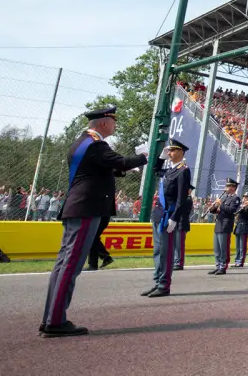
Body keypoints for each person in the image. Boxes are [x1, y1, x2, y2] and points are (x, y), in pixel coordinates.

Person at [40, 106, 147, 337]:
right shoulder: (96, 144)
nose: (115, 126)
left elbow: (101, 168)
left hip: (78, 207)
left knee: (64, 264)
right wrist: (146, 155)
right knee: (71, 265)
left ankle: (51, 317)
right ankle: (55, 321)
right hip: (87, 208)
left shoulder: (83, 143)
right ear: (104, 123)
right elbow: (121, 162)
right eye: (113, 121)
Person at [142, 139, 191, 298]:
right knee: (157, 250)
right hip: (158, 214)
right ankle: (157, 281)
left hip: (168, 216)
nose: (169, 153)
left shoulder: (183, 170)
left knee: (165, 252)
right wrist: (161, 157)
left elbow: (181, 198)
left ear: (181, 151)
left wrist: (175, 218)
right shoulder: (170, 169)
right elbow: (155, 169)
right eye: (168, 151)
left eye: (172, 150)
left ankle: (164, 285)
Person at [208, 178, 240, 275]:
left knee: (223, 247)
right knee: (216, 247)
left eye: (229, 186)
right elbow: (217, 210)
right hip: (218, 223)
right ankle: (218, 265)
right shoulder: (224, 197)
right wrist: (213, 207)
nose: (227, 188)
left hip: (226, 224)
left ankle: (223, 266)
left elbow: (231, 210)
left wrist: (220, 205)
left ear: (234, 188)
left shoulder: (235, 198)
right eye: (227, 186)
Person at [172, 184, 194, 270]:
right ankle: (175, 261)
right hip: (177, 223)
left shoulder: (188, 199)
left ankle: (179, 262)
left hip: (182, 224)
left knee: (179, 244)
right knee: (175, 244)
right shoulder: (182, 198)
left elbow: (181, 208)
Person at [233, 192, 248, 268]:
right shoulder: (240, 205)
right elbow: (236, 211)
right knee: (238, 245)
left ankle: (241, 261)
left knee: (242, 246)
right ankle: (237, 260)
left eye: (246, 197)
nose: (244, 198)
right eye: (244, 197)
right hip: (238, 225)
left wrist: (247, 204)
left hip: (244, 226)